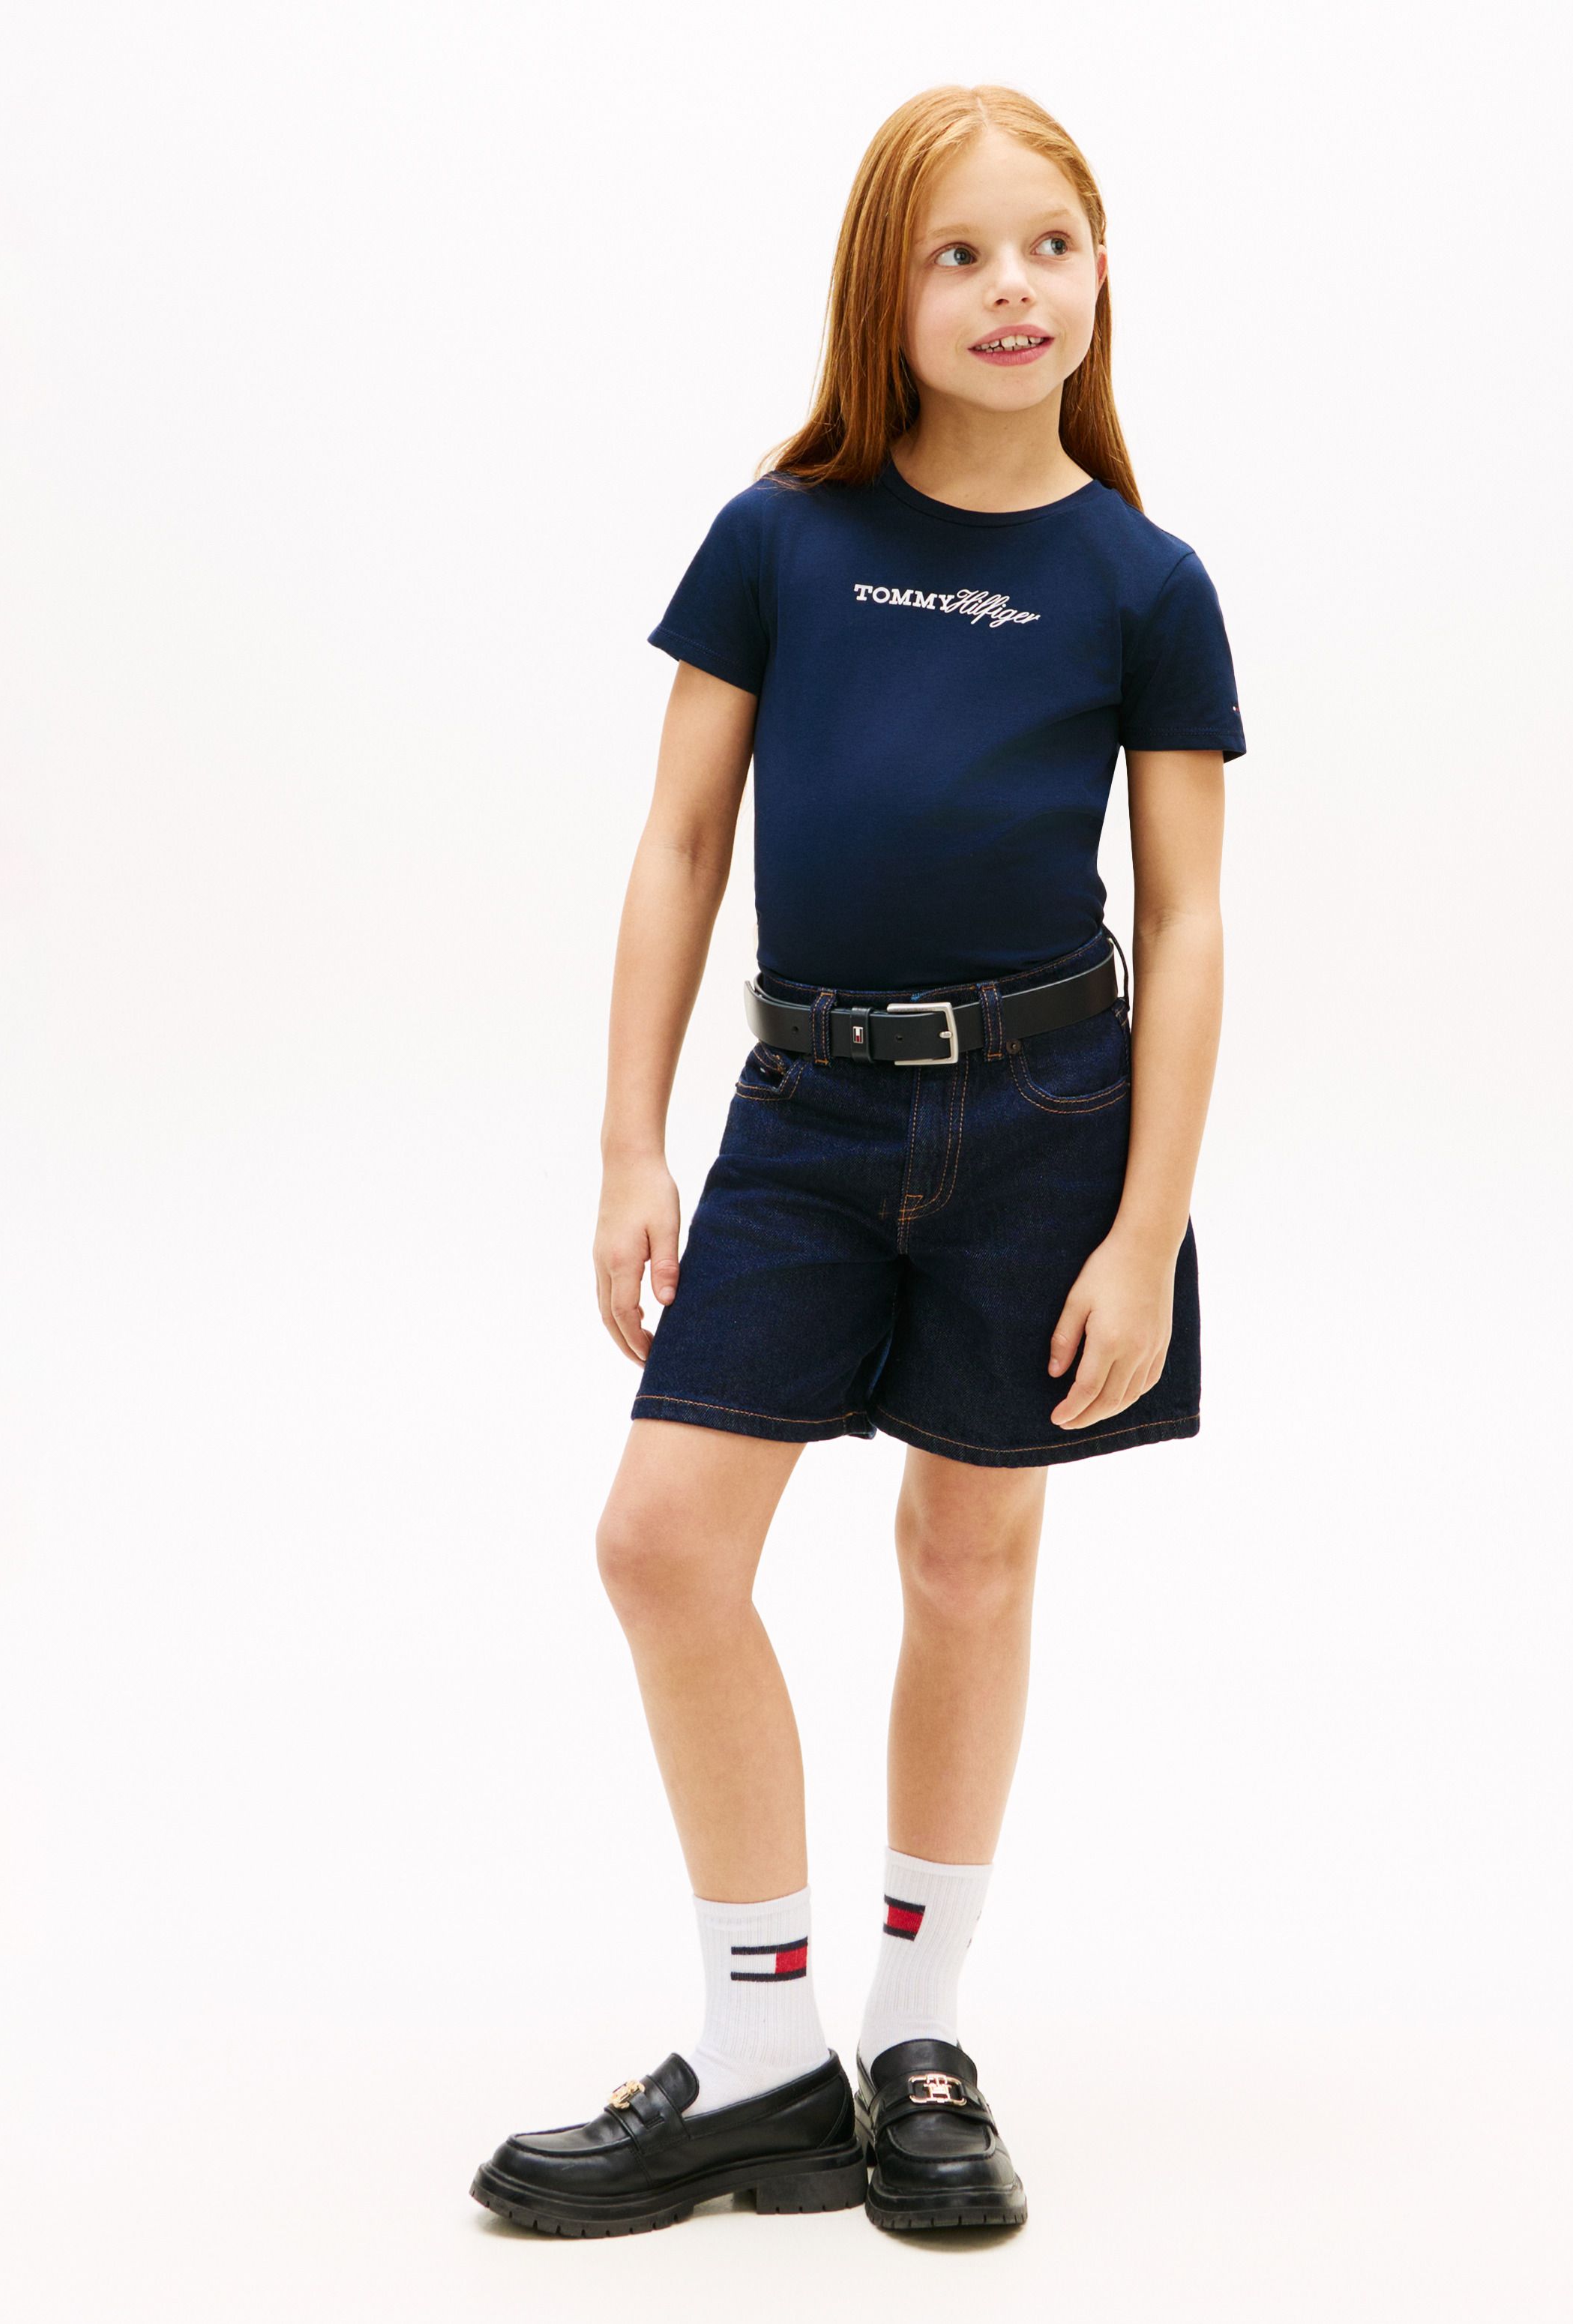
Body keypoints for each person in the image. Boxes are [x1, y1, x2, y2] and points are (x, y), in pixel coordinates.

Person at [471, 80, 1246, 2240]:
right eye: (959, 254)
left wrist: (1148, 1227)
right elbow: (678, 846)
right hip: (806, 1122)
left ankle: (917, 2040)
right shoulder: (780, 538)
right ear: (878, 296)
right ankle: (758, 2049)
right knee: (663, 1542)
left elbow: (1187, 920)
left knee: (968, 1560)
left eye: (1051, 246)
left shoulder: (1144, 581)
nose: (1014, 290)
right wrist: (631, 1146)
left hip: (1047, 1120)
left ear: (1102, 273)